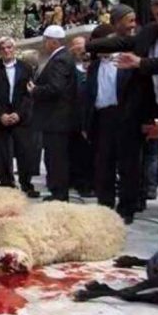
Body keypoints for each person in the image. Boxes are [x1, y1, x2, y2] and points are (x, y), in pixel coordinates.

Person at [80, 0, 158, 229]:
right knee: (104, 165)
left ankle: (128, 208)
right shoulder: (147, 36)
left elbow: (146, 85)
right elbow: (89, 95)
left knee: (130, 166)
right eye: (157, 13)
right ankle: (107, 208)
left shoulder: (137, 54)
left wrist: (139, 63)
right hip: (105, 118)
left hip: (130, 115)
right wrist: (89, 46)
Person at [27, 25, 77, 202]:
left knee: (57, 159)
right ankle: (56, 191)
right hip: (54, 120)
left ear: (53, 41)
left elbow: (56, 88)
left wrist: (35, 90)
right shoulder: (59, 57)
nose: (44, 43)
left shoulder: (60, 60)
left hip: (57, 119)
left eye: (46, 40)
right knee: (52, 157)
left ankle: (60, 194)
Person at [0, 37, 39, 197]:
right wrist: (0, 114)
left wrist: (19, 113)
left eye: (9, 47)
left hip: (20, 117)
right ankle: (7, 184)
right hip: (0, 116)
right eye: (3, 48)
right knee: (2, 153)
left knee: (25, 151)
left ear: (14, 49)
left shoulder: (26, 68)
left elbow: (28, 95)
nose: (7, 51)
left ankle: (26, 184)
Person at [68, 35, 95, 197]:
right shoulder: (70, 68)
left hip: (92, 116)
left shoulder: (93, 67)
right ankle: (77, 181)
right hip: (74, 118)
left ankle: (89, 183)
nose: (80, 50)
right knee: (76, 152)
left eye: (82, 46)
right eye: (76, 46)